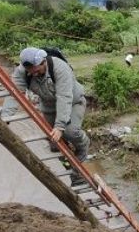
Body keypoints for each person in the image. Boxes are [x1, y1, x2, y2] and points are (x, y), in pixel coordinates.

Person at [11, 47, 89, 186]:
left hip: (73, 103)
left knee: (70, 132)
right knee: (56, 145)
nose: (34, 74)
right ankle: (73, 173)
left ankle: (82, 147)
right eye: (30, 71)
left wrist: (59, 127)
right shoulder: (22, 72)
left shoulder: (60, 68)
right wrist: (6, 117)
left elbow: (64, 98)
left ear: (43, 62)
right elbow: (14, 94)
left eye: (36, 69)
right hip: (49, 109)